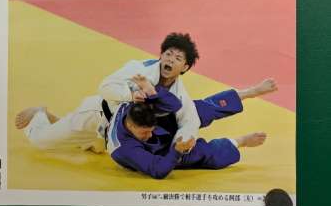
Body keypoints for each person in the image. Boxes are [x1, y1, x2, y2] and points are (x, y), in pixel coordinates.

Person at [15, 33, 277, 158]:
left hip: (112, 134)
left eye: (177, 58)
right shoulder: (138, 69)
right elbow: (104, 86)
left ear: (185, 67)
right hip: (96, 116)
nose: (170, 59)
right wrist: (130, 95)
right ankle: (39, 114)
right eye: (167, 54)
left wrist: (184, 141)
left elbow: (190, 120)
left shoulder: (178, 93)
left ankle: (57, 120)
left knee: (88, 146)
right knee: (41, 142)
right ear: (160, 55)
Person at [107, 74, 269, 179]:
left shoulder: (137, 103)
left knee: (196, 110)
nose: (149, 135)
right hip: (159, 152)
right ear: (131, 126)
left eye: (150, 130)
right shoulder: (124, 148)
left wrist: (152, 91)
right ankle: (240, 141)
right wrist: (177, 150)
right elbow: (158, 170)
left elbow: (175, 104)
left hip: (159, 123)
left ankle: (249, 92)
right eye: (145, 133)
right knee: (201, 153)